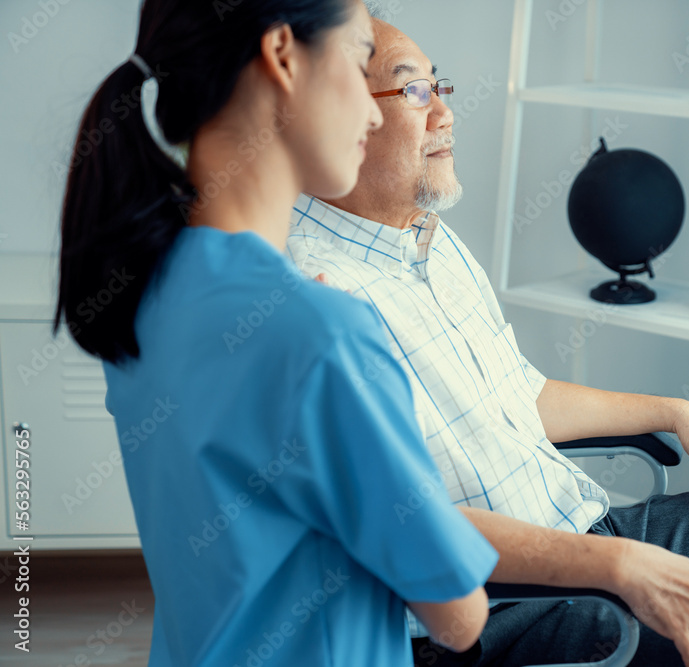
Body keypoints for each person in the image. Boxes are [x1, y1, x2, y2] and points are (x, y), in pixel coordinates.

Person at [286, 15, 689, 667]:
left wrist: (675, 410)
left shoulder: (429, 241)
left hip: (587, 531)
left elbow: (524, 395)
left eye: (441, 86)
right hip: (505, 611)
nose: (446, 113)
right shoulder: (313, 295)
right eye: (414, 89)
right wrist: (616, 567)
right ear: (342, 113)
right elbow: (404, 523)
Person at [54, 1, 497, 664]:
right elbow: (458, 615)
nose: (375, 112)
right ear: (284, 55)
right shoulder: (323, 335)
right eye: (356, 57)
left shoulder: (144, 287)